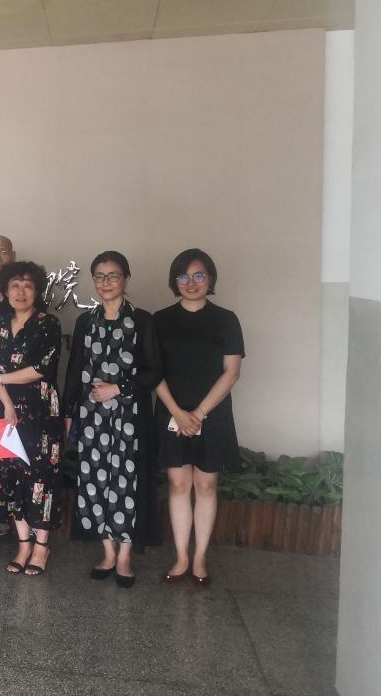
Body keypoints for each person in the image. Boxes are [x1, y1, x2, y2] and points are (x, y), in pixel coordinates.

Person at [63, 251, 162, 588]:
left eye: (113, 275)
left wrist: (118, 388)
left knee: (127, 483)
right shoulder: (85, 322)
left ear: (126, 279)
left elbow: (155, 371)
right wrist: (68, 413)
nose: (106, 282)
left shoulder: (144, 321)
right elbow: (75, 370)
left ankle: (124, 557)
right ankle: (107, 552)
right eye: (100, 276)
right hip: (92, 417)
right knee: (95, 480)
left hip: (130, 417)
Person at [154, 249, 244, 588]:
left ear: (211, 279)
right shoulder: (161, 320)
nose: (190, 283)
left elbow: (231, 372)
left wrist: (199, 414)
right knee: (178, 485)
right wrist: (179, 413)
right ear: (174, 281)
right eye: (183, 276)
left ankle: (200, 556)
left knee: (206, 485)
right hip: (171, 412)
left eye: (198, 275)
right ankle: (181, 557)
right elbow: (153, 371)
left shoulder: (226, 319)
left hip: (213, 414)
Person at [0, 261, 65, 576]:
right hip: (5, 412)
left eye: (28, 286)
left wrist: (2, 380)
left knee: (41, 476)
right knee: (9, 474)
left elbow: (41, 368)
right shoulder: (0, 324)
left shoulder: (48, 323)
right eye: (14, 286)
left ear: (37, 291)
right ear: (5, 291)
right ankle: (23, 544)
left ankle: (41, 546)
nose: (21, 292)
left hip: (41, 411)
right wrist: (6, 405)